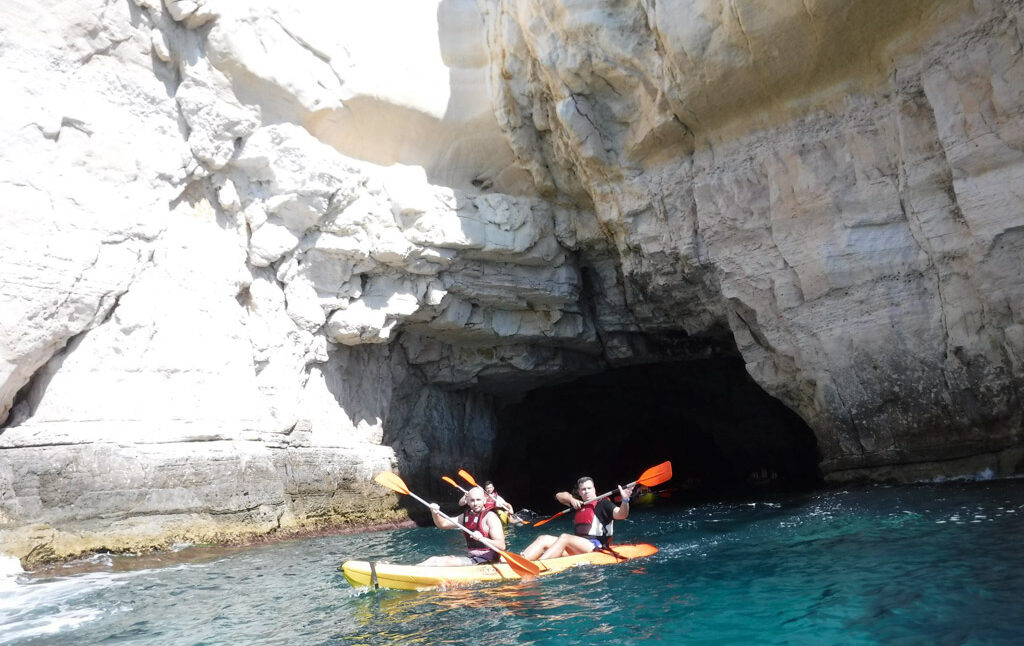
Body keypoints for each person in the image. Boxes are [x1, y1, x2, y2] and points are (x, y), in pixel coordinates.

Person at [521, 476, 634, 561]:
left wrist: (625, 501)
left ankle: (541, 564)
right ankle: (520, 560)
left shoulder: (603, 503)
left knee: (565, 537)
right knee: (543, 538)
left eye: (589, 488)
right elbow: (559, 496)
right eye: (583, 489)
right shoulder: (578, 503)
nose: (587, 491)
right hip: (578, 546)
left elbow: (621, 514)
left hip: (596, 545)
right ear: (579, 492)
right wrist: (571, 499)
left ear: (594, 489)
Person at [419, 486, 506, 566]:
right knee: (433, 559)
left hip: (489, 560)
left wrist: (482, 539)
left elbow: (501, 545)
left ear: (484, 500)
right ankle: (410, 573)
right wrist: (435, 513)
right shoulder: (465, 517)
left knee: (446, 562)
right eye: (472, 500)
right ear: (467, 502)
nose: (475, 503)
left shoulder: (490, 517)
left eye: (478, 500)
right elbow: (443, 524)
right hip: (473, 557)